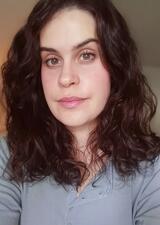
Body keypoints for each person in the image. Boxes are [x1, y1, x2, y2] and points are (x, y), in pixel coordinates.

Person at [0, 0, 160, 224]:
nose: (66, 78)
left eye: (86, 55)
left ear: (116, 65)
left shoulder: (154, 168)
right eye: (52, 60)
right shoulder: (9, 153)